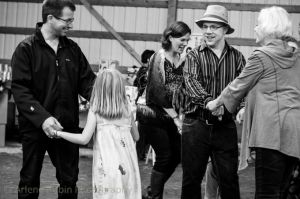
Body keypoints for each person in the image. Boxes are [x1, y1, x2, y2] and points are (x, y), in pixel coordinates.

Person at [207, 6, 300, 199]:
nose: (255, 28)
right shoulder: (295, 54)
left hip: (271, 132)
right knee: (282, 191)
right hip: (294, 132)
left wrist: (215, 103)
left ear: (267, 28)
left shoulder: (262, 55)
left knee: (266, 193)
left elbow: (238, 86)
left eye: (257, 24)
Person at [11, 0, 96, 198]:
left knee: (69, 181)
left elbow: (88, 83)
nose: (71, 25)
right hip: (35, 126)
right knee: (29, 180)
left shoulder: (72, 49)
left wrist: (108, 99)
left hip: (66, 128)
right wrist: (43, 118)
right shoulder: (26, 49)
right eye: (67, 20)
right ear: (50, 18)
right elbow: (20, 89)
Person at [180, 5, 245, 199]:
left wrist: (242, 107)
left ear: (225, 30)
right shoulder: (194, 55)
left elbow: (242, 87)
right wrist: (210, 101)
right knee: (191, 180)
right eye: (205, 26)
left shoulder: (237, 58)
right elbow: (191, 82)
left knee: (229, 180)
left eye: (214, 27)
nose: (208, 31)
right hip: (195, 125)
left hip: (225, 126)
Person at [51, 69, 141, 199]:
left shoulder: (96, 111)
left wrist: (58, 133)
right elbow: (136, 137)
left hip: (107, 170)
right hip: (129, 169)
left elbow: (84, 139)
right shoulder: (127, 110)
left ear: (99, 88)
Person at [141, 21, 191, 199]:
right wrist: (177, 119)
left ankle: (150, 192)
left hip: (172, 116)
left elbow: (184, 89)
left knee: (177, 155)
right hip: (153, 116)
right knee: (164, 156)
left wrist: (181, 114)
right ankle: (154, 195)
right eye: (182, 39)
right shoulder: (158, 58)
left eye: (188, 40)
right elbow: (158, 92)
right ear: (170, 37)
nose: (185, 43)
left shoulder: (181, 59)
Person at [133, 49, 155, 161]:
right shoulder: (146, 72)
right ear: (148, 59)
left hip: (142, 104)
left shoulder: (142, 71)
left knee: (144, 130)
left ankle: (141, 153)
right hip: (144, 105)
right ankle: (139, 154)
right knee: (143, 131)